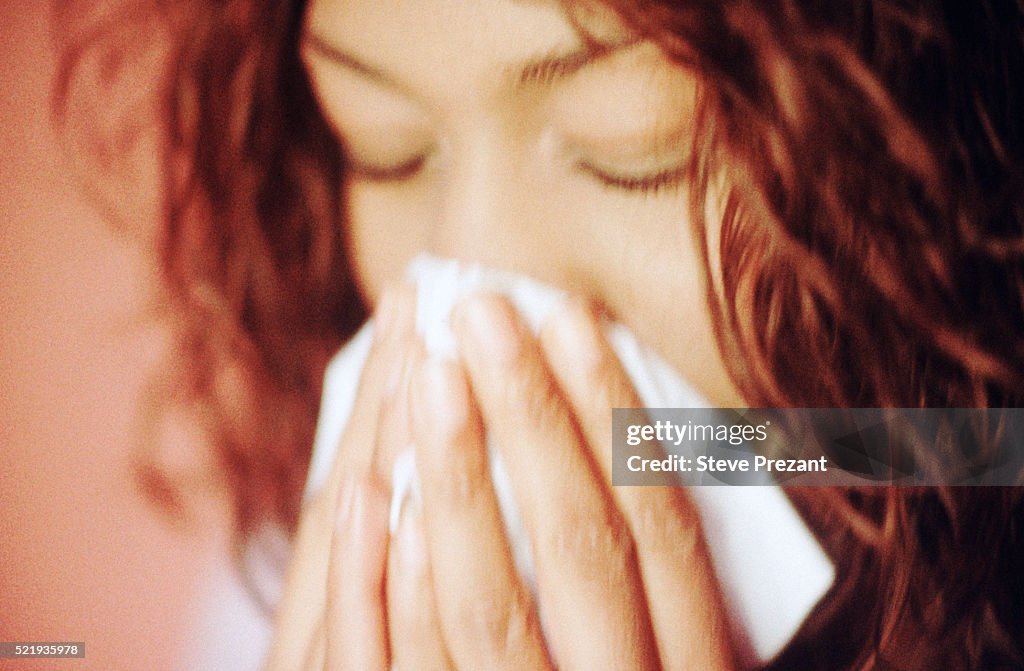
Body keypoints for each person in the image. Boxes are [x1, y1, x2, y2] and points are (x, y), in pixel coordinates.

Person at [58, 0, 1024, 669]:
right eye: (385, 147)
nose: (475, 293)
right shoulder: (305, 574)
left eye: (632, 152)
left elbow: (973, 449)